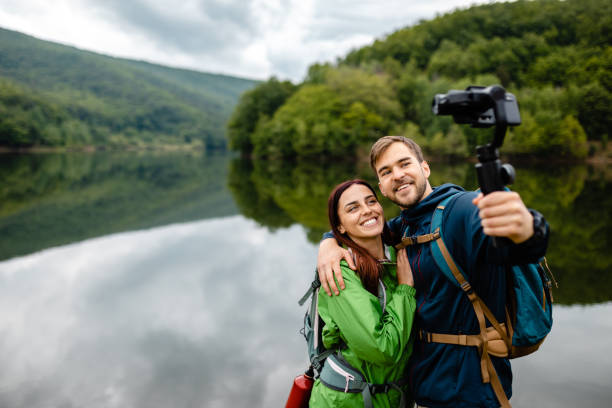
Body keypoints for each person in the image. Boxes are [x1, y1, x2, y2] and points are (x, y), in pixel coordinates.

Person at [317, 136, 550, 408]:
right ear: (381, 186)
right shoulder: (400, 228)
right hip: (422, 392)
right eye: (386, 171)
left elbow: (504, 232)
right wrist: (329, 243)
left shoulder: (459, 210)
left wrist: (527, 229)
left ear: (424, 168)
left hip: (473, 393)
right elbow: (359, 227)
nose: (398, 175)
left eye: (404, 164)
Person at [309, 179, 417, 407]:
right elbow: (382, 349)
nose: (367, 210)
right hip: (347, 401)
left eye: (371, 201)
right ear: (339, 227)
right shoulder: (341, 273)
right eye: (353, 208)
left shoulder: (395, 254)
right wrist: (405, 289)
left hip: (391, 398)